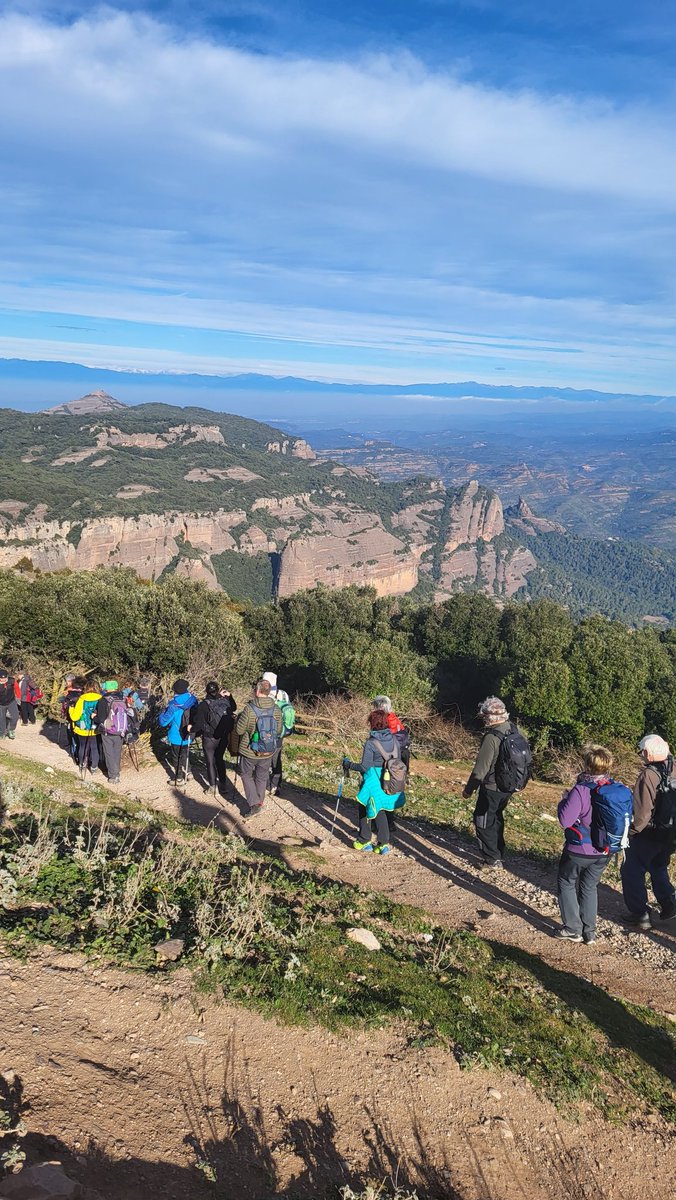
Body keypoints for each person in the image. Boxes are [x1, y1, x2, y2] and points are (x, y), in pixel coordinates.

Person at [555, 745, 616, 944]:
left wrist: (564, 801)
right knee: (589, 887)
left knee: (566, 882)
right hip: (604, 850)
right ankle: (589, 932)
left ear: (587, 765)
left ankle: (573, 928)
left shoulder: (580, 790)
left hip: (580, 849)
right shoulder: (615, 788)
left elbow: (565, 820)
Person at [463, 696, 531, 870]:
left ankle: (491, 859)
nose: (483, 719)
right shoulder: (513, 729)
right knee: (496, 817)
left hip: (492, 787)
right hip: (508, 786)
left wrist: (469, 790)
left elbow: (480, 769)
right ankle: (499, 851)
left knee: (482, 819)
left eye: (484, 716)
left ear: (489, 717)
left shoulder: (492, 737)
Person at [621, 734, 676, 929]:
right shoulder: (674, 768)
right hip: (671, 834)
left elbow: (643, 813)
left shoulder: (648, 775)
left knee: (631, 870)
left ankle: (640, 914)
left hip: (650, 834)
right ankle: (669, 904)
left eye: (642, 752)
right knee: (658, 866)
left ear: (647, 753)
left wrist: (632, 832)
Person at [343, 709, 406, 855]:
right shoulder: (395, 740)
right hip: (390, 780)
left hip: (374, 780)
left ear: (372, 723)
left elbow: (365, 767)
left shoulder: (371, 743)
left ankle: (364, 840)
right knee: (381, 809)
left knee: (364, 805)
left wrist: (348, 764)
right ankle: (383, 844)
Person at [236, 679, 283, 816]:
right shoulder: (276, 709)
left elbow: (239, 730)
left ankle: (254, 803)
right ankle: (259, 801)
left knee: (246, 774)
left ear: (257, 691)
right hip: (268, 750)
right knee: (262, 777)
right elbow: (278, 730)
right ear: (269, 692)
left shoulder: (249, 709)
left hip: (249, 750)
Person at [189, 681, 237, 794]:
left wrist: (190, 729)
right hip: (223, 737)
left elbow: (199, 724)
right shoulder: (225, 701)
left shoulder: (203, 705)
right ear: (218, 690)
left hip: (209, 738)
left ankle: (212, 787)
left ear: (206, 691)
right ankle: (223, 786)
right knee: (219, 759)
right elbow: (234, 708)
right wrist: (230, 696)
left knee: (210, 762)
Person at [158, 678, 198, 785]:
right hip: (189, 733)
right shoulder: (193, 700)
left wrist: (162, 713)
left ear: (175, 690)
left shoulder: (173, 705)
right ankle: (189, 772)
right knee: (185, 753)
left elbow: (163, 722)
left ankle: (179, 778)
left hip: (176, 735)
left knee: (176, 756)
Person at [262, 671, 295, 796]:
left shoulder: (265, 694)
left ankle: (266, 784)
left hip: (267, 732)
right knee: (276, 760)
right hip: (280, 733)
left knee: (265, 758)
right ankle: (276, 785)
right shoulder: (283, 694)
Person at [95, 680, 128, 785]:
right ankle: (116, 772)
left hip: (108, 730)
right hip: (121, 730)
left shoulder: (104, 700)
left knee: (109, 753)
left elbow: (100, 718)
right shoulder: (123, 698)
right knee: (117, 752)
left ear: (106, 687)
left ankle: (113, 776)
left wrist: (93, 717)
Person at [69, 678, 103, 775]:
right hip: (95, 728)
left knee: (82, 746)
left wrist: (71, 709)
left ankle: (82, 765)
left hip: (82, 728)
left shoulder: (82, 699)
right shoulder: (101, 699)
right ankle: (94, 767)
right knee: (94, 747)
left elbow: (75, 717)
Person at [371, 695, 411, 768]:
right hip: (402, 750)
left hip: (391, 753)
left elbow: (380, 737)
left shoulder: (383, 719)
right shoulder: (393, 717)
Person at [59, 674, 82, 760]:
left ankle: (74, 750)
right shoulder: (81, 689)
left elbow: (66, 703)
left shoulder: (70, 691)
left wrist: (63, 710)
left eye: (67, 681)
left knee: (72, 732)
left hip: (71, 714)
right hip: (78, 714)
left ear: (70, 681)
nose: (66, 683)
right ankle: (74, 748)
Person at [0, 669, 19, 740]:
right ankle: (2, 733)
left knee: (15, 716)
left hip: (11, 701)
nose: (4, 680)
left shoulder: (12, 681)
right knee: (1, 718)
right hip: (1, 704)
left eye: (5, 678)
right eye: (2, 678)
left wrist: (19, 697)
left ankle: (11, 730)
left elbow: (17, 689)